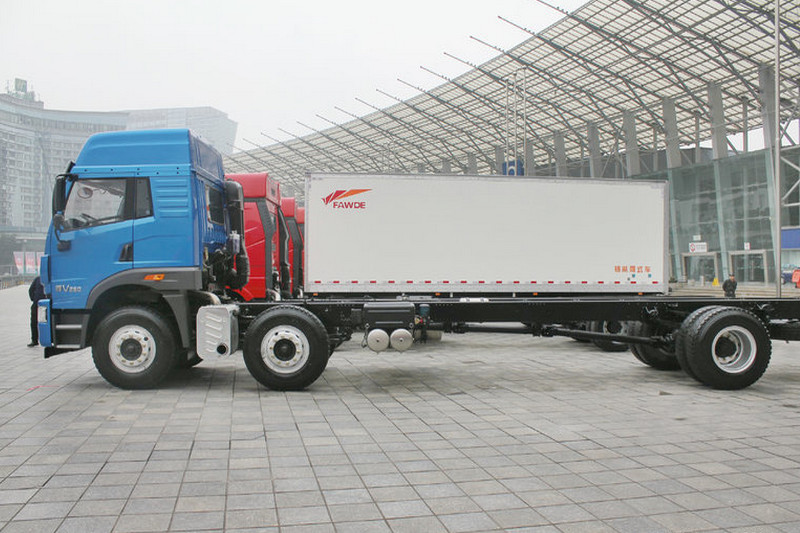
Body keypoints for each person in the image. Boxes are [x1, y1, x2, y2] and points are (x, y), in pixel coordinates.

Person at [28, 276, 45, 347]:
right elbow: (31, 290)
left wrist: (34, 299)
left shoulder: (38, 279)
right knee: (35, 322)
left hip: (37, 302)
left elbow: (31, 290)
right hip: (44, 303)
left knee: (34, 322)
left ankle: (34, 340)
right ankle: (35, 340)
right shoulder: (49, 278)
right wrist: (33, 299)